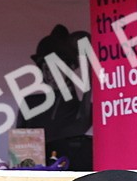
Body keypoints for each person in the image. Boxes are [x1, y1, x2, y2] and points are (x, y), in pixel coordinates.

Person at [15, 24, 94, 171]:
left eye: (57, 67)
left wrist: (87, 55)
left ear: (71, 67)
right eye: (45, 67)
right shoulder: (30, 103)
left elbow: (81, 122)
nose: (50, 73)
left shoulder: (81, 109)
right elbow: (19, 153)